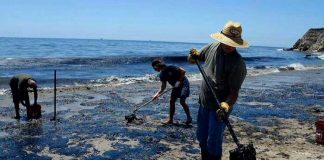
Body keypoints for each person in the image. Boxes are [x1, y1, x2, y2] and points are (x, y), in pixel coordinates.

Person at [188, 21, 249, 159]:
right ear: (221, 38)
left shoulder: (237, 64)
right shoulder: (212, 47)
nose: (229, 45)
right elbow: (194, 59)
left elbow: (234, 93)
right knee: (201, 138)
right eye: (227, 41)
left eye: (233, 43)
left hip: (220, 108)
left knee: (213, 142)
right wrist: (192, 56)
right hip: (204, 102)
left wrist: (226, 104)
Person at [151, 59, 192, 125]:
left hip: (184, 84)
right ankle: (171, 120)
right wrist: (157, 94)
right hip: (175, 86)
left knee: (182, 101)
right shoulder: (161, 75)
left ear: (157, 65)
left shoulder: (170, 67)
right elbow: (163, 87)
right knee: (171, 101)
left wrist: (178, 81)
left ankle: (189, 118)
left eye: (154, 67)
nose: (154, 69)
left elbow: (183, 71)